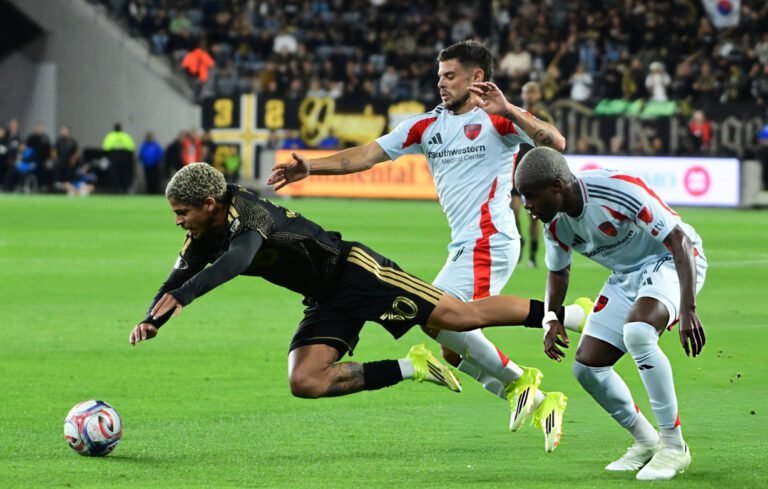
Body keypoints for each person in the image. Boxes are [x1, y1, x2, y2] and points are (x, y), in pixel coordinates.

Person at [269, 40, 590, 450]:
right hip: (463, 244)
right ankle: (544, 387)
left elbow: (554, 144)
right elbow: (365, 156)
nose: (441, 83)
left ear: (476, 77)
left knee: (435, 318)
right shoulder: (426, 126)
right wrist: (311, 167)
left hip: (489, 238)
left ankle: (526, 381)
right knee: (452, 347)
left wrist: (510, 109)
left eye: (450, 76)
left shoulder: (497, 119)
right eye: (439, 76)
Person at [130, 163, 584, 451]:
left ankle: (567, 314)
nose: (178, 221)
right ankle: (413, 367)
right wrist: (152, 319)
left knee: (460, 318)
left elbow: (240, 259)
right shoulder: (201, 233)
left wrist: (186, 297)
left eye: (182, 213)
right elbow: (175, 279)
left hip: (358, 273)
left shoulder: (248, 214)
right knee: (305, 381)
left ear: (209, 204)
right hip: (326, 297)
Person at [514, 147, 707, 481]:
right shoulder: (555, 224)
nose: (526, 205)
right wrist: (551, 317)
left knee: (638, 332)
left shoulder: (616, 189)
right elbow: (558, 272)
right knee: (587, 367)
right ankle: (646, 441)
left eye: (530, 196)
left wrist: (688, 308)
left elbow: (680, 241)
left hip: (670, 262)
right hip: (626, 276)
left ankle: (674, 447)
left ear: (556, 187)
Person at [510, 81, 554, 268]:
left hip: (534, 172)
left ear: (539, 95)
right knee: (513, 210)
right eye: (526, 92)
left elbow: (552, 143)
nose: (529, 95)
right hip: (514, 169)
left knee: (533, 216)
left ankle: (532, 256)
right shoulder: (515, 114)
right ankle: (520, 243)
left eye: (533, 92)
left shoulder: (543, 118)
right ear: (522, 94)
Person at [102, 123, 136, 193]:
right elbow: (132, 147)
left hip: (114, 156)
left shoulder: (110, 136)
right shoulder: (125, 136)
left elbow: (105, 148)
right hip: (124, 156)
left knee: (115, 174)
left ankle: (116, 189)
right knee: (124, 173)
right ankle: (125, 188)